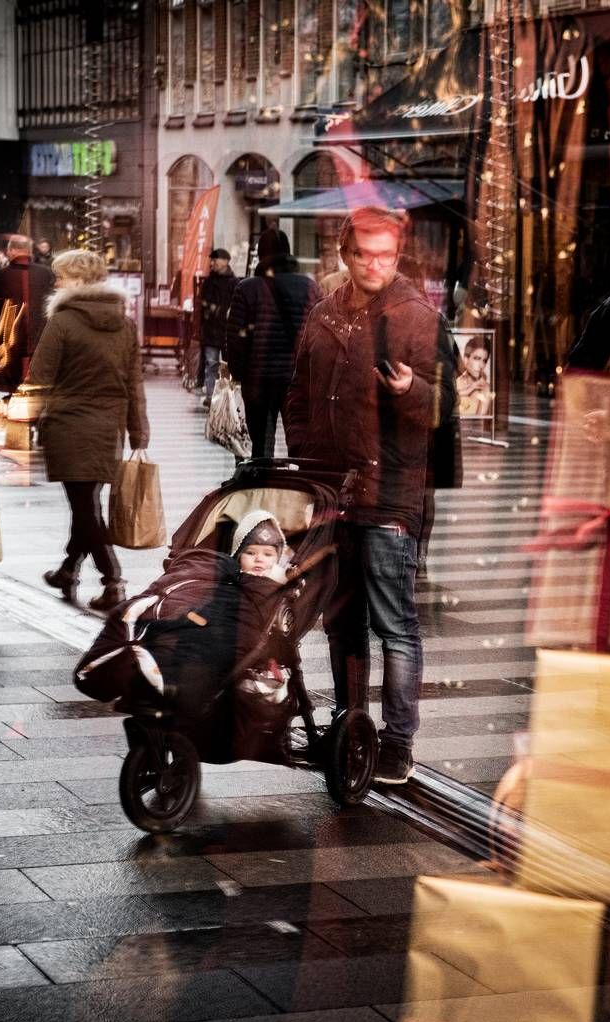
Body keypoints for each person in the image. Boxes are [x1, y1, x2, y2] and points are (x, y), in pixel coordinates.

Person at [286, 205, 456, 784]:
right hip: (332, 496)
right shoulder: (324, 314)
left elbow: (451, 405)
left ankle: (397, 743)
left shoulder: (416, 317)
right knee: (341, 619)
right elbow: (298, 396)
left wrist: (414, 390)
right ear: (344, 254)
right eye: (363, 254)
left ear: (398, 256)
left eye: (385, 255)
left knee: (394, 624)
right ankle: (349, 722)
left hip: (390, 493)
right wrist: (308, 463)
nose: (374, 265)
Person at [29, 249, 150, 613]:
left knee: (85, 508)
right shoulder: (124, 324)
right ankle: (68, 569)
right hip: (107, 428)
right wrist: (138, 433)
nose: (56, 283)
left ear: (78, 280)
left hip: (68, 425)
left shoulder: (63, 322)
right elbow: (134, 384)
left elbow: (40, 378)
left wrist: (26, 418)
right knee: (86, 503)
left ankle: (113, 580)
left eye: (61, 276)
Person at [226, 227, 320, 460]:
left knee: (261, 446)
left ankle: (265, 487)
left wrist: (239, 373)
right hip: (297, 380)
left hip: (259, 381)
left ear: (260, 254)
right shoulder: (310, 287)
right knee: (299, 442)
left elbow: (236, 338)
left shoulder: (247, 288)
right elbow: (319, 334)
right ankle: (297, 488)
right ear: (288, 252)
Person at [0, 234, 55, 393]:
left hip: (10, 340)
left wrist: (5, 325)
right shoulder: (46, 273)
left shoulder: (0, 275)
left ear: (11, 251)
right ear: (30, 252)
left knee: (13, 388)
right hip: (41, 338)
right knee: (38, 387)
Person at [197, 248, 238, 407]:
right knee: (211, 363)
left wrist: (218, 310)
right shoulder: (208, 282)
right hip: (212, 330)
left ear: (225, 261)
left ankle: (228, 397)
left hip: (228, 331)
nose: (212, 263)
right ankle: (210, 396)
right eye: (212, 260)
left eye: (215, 260)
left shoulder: (235, 283)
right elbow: (204, 305)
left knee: (228, 365)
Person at [455, 335, 492, 417]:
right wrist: (469, 390)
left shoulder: (486, 389)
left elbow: (479, 423)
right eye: (477, 358)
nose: (481, 365)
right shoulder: (455, 381)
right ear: (466, 359)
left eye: (484, 360)